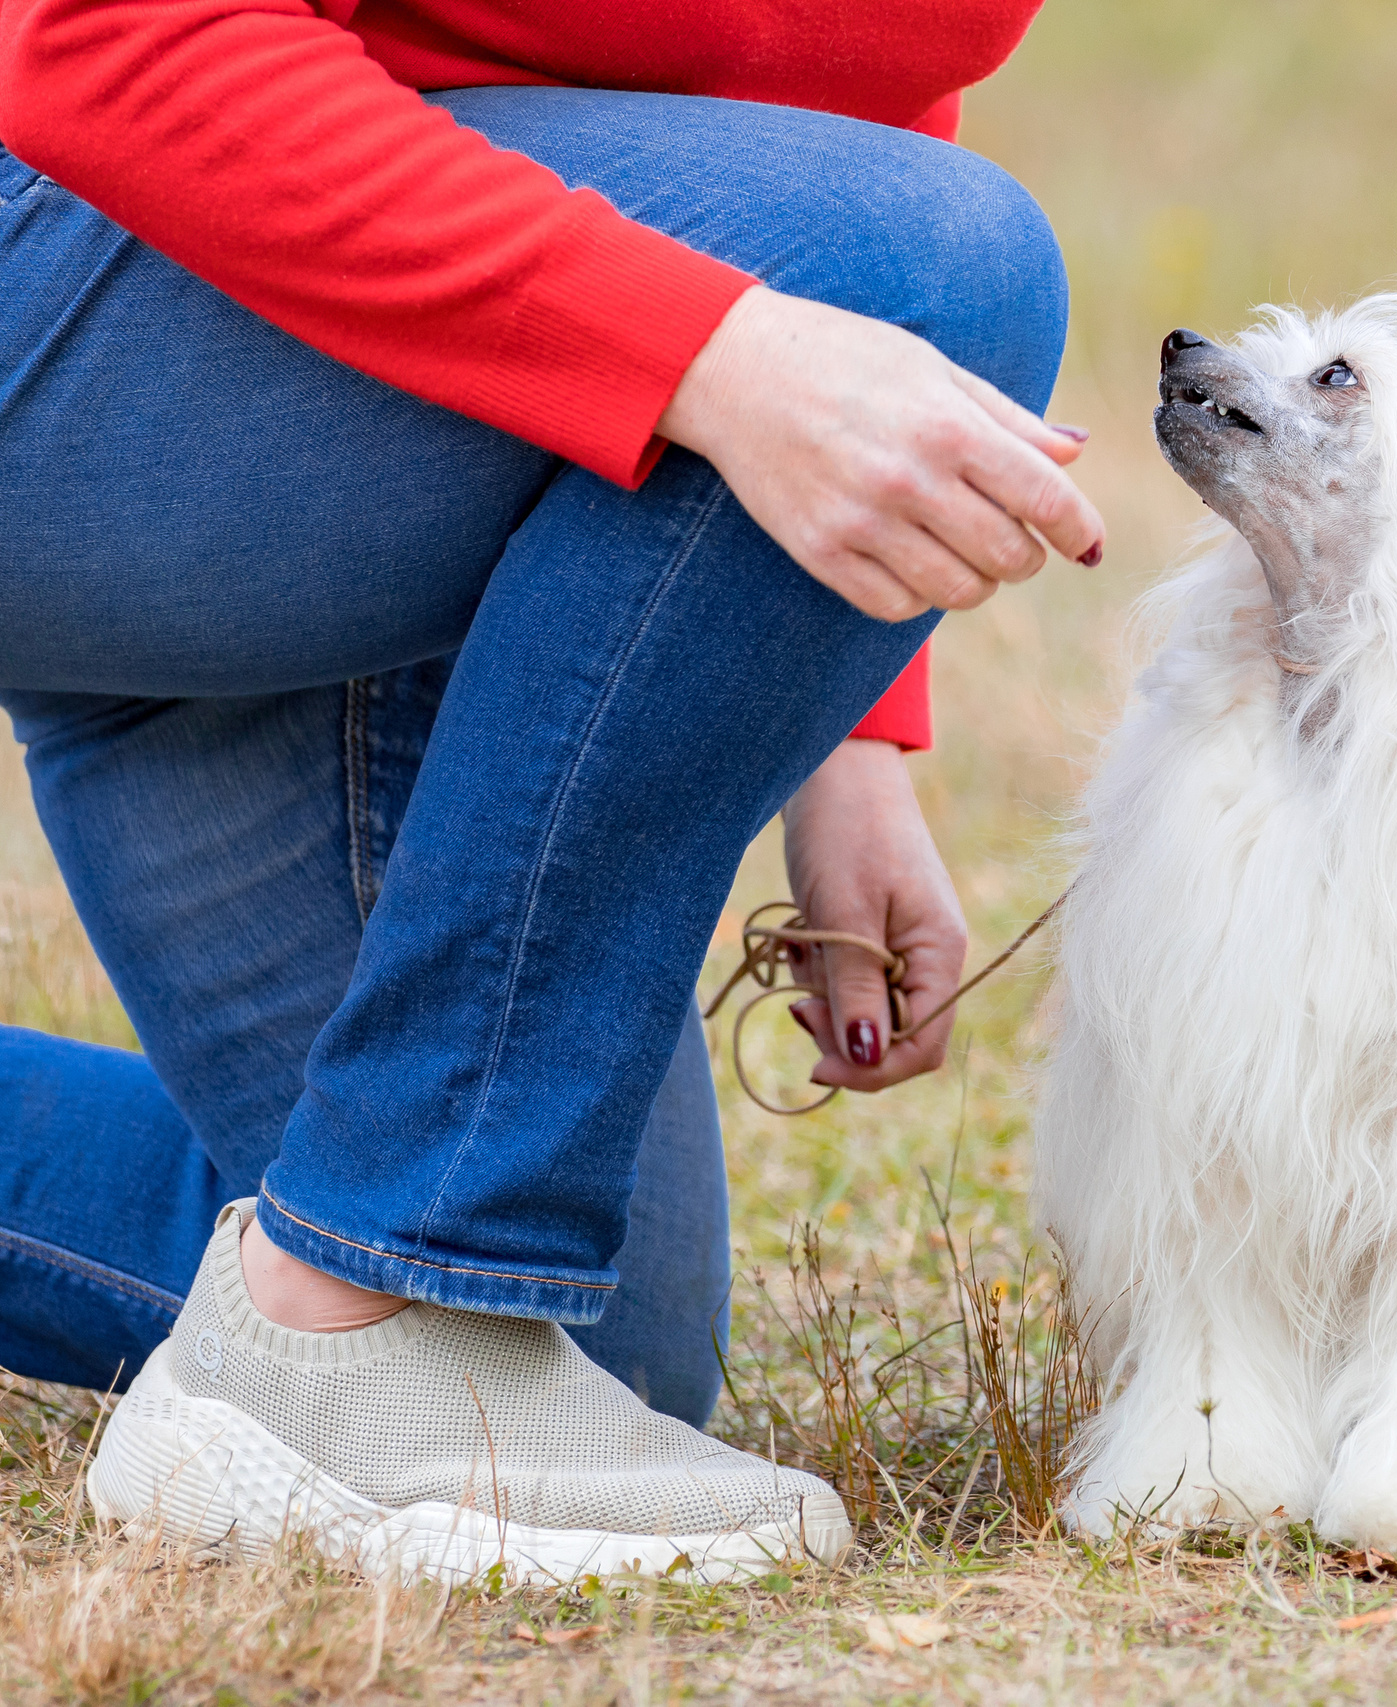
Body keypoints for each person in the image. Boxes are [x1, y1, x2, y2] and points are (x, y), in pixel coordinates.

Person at [0, 0, 1102, 1572]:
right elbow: (116, 41)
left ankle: (354, 1288)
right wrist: (711, 349)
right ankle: (349, 1321)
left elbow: (835, 88)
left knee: (575, 1341)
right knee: (940, 263)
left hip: (367, 388)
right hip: (80, 250)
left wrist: (852, 732)